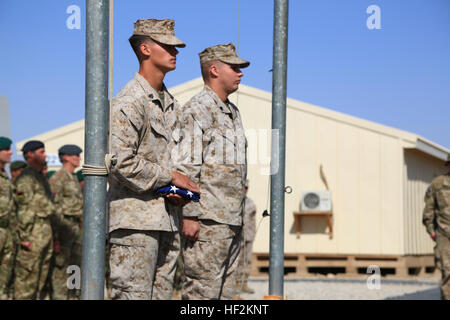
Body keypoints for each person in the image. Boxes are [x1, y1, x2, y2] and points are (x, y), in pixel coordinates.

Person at [107, 18, 199, 300]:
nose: (175, 52)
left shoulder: (171, 103)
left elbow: (180, 156)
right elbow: (119, 161)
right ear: (145, 49)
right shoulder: (129, 100)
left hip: (167, 220)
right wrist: (170, 178)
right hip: (135, 224)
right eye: (167, 46)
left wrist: (182, 190)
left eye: (176, 47)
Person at [178, 43, 249, 300]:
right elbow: (186, 166)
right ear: (215, 70)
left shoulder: (232, 112)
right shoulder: (197, 109)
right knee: (202, 293)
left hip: (231, 218)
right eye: (235, 68)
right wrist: (189, 214)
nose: (241, 73)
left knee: (226, 294)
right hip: (207, 220)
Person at [13, 140, 56, 299]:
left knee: (40, 282)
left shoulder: (41, 178)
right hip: (32, 234)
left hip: (45, 232)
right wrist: (25, 237)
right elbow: (23, 209)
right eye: (41, 152)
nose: (45, 155)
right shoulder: (26, 179)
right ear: (30, 155)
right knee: (27, 283)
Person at [48, 145, 83, 300]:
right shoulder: (57, 179)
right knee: (61, 271)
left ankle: (73, 296)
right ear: (66, 157)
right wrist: (55, 237)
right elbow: (54, 209)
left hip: (76, 229)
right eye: (75, 155)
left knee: (75, 268)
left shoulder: (73, 178)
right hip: (63, 229)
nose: (79, 158)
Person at [423, 153, 450, 300]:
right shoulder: (438, 184)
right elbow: (428, 211)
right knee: (448, 273)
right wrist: (431, 230)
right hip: (444, 236)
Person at [0, 137, 16, 299]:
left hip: (6, 230)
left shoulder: (4, 174)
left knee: (4, 277)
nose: (11, 152)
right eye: (6, 149)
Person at [236, 179, 257, 294]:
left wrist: (253, 235)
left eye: (246, 188)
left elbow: (253, 220)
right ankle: (235, 283)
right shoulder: (234, 203)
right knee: (237, 260)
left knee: (247, 260)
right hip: (238, 238)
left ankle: (244, 283)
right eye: (243, 187)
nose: (244, 190)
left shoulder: (250, 203)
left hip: (248, 236)